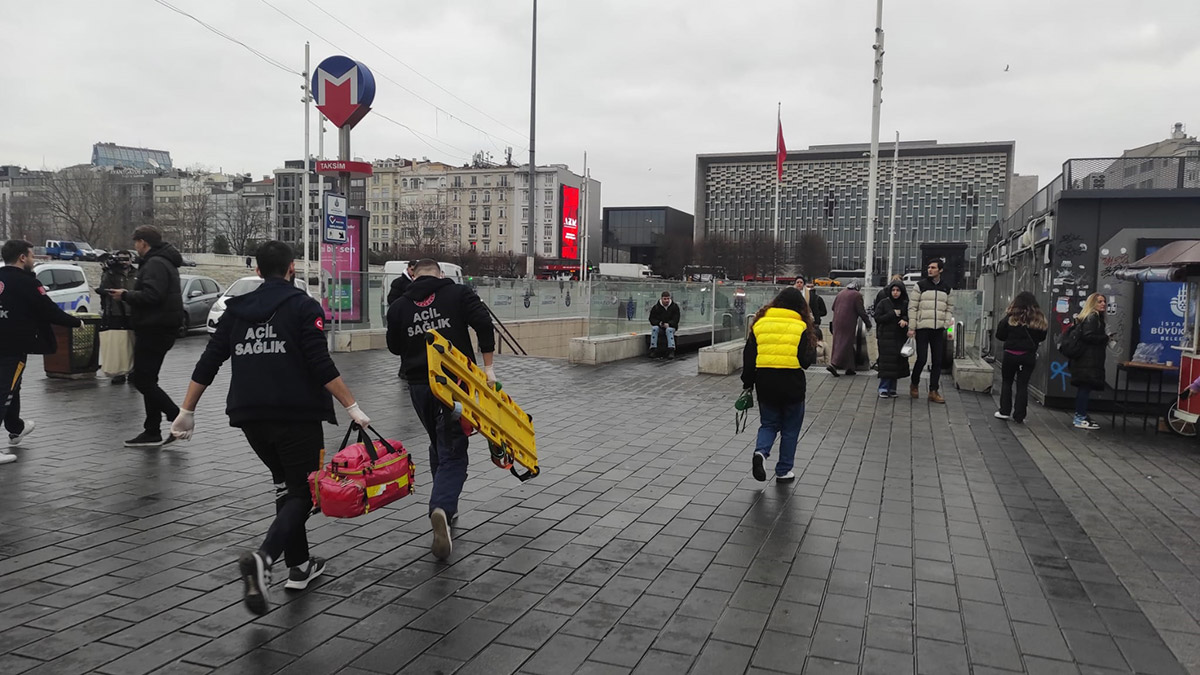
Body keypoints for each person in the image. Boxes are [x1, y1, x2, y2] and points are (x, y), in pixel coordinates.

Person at [170, 241, 371, 615]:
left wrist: (186, 410)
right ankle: (264, 559)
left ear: (258, 271)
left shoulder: (236, 310)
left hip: (249, 417)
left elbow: (209, 361)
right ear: (292, 268)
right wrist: (352, 407)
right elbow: (320, 363)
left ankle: (300, 566)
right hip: (296, 416)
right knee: (305, 493)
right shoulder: (303, 307)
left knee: (287, 486)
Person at [387, 259, 496, 561]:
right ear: (441, 274)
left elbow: (394, 347)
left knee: (439, 442)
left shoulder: (399, 306)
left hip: (419, 387)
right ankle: (442, 507)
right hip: (453, 385)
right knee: (454, 451)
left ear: (413, 275)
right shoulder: (458, 293)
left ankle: (447, 505)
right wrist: (488, 368)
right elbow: (484, 323)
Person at [0, 240, 84, 463]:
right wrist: (76, 323)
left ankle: (16, 427)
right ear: (22, 258)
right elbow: (49, 311)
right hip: (13, 348)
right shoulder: (28, 282)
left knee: (12, 387)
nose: (33, 259)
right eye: (31, 255)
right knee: (4, 390)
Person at [107, 226, 185, 448]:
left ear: (143, 242)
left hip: (154, 328)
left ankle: (177, 417)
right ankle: (152, 430)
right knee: (149, 380)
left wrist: (126, 295)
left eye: (136, 242)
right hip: (160, 327)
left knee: (142, 380)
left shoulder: (155, 263)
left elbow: (153, 295)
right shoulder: (163, 261)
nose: (135, 247)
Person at [742, 287, 817, 483]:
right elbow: (805, 361)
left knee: (768, 424)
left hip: (765, 382)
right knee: (790, 429)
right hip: (792, 383)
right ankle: (783, 471)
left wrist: (747, 383)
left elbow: (749, 357)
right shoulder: (802, 326)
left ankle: (761, 452)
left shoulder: (760, 323)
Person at [994, 292, 1048, 423]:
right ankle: (1019, 415)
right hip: (1028, 356)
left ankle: (1004, 411)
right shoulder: (1039, 319)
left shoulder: (1010, 317)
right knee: (1023, 385)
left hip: (1010, 354)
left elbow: (1000, 334)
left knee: (1007, 382)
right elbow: (1042, 337)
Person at [908, 259, 954, 404]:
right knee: (921, 359)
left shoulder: (947, 288)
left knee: (937, 361)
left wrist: (945, 324)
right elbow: (912, 307)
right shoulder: (920, 286)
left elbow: (949, 308)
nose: (930, 270)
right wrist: (912, 327)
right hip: (922, 328)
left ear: (940, 270)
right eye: (929, 267)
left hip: (938, 329)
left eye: (933, 267)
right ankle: (914, 383)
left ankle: (933, 391)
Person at [1068, 293, 1109, 430]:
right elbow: (1088, 336)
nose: (1103, 304)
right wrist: (1105, 338)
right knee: (1084, 389)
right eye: (1099, 301)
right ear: (1092, 303)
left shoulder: (1089, 317)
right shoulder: (1092, 318)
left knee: (1084, 388)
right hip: (1088, 360)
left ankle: (1081, 415)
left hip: (1085, 360)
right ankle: (1079, 417)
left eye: (1104, 301)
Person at [99, 250, 137, 384]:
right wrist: (109, 272)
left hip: (133, 312)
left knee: (132, 343)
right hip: (116, 312)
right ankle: (119, 372)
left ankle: (133, 370)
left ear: (131, 260)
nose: (124, 262)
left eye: (126, 259)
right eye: (121, 259)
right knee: (118, 343)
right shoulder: (111, 273)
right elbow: (103, 289)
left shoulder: (137, 273)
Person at [874, 281, 910, 398]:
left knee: (896, 363)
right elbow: (878, 318)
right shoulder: (884, 303)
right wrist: (892, 314)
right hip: (886, 338)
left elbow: (908, 315)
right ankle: (883, 388)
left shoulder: (905, 304)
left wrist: (905, 319)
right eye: (893, 290)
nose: (895, 293)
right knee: (886, 363)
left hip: (899, 337)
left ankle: (892, 388)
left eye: (898, 290)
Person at [827, 283, 871, 376]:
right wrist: (868, 323)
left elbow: (833, 307)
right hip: (848, 323)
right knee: (844, 343)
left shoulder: (841, 293)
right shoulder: (857, 295)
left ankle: (850, 368)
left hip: (836, 321)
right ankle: (834, 365)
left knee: (845, 343)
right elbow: (861, 311)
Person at [648, 291, 681, 359]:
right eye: (665, 299)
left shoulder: (674, 307)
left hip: (671, 326)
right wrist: (659, 323)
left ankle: (671, 349)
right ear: (661, 299)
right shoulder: (656, 307)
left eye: (668, 299)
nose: (666, 300)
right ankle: (653, 349)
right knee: (654, 329)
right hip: (660, 326)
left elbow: (676, 319)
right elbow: (651, 319)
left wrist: (669, 324)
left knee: (669, 330)